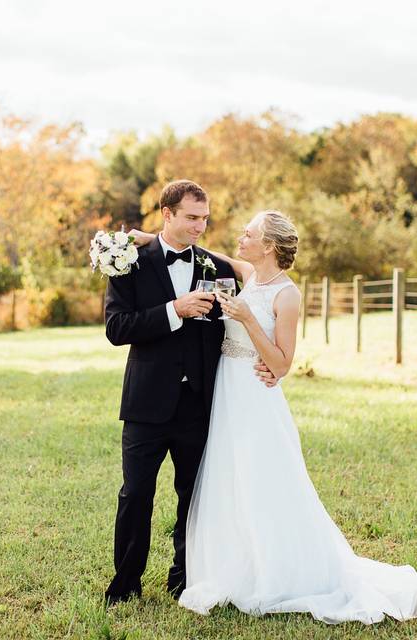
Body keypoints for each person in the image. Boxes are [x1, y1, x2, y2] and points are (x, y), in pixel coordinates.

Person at [131, 210, 417, 623]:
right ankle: (230, 566)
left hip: (255, 396)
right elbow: (204, 252)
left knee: (263, 481)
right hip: (224, 391)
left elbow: (280, 362)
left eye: (250, 233)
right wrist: (150, 238)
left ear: (270, 246)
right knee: (228, 478)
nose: (241, 237)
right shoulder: (247, 273)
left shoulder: (287, 295)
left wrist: (245, 319)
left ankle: (275, 571)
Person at [102, 180, 277, 605]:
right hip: (146, 402)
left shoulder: (215, 266)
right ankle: (126, 584)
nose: (201, 226)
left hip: (200, 403)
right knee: (135, 494)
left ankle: (185, 579)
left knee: (195, 497)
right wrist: (173, 311)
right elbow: (116, 328)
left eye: (205, 218)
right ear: (167, 214)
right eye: (192, 218)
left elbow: (263, 277)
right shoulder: (129, 263)